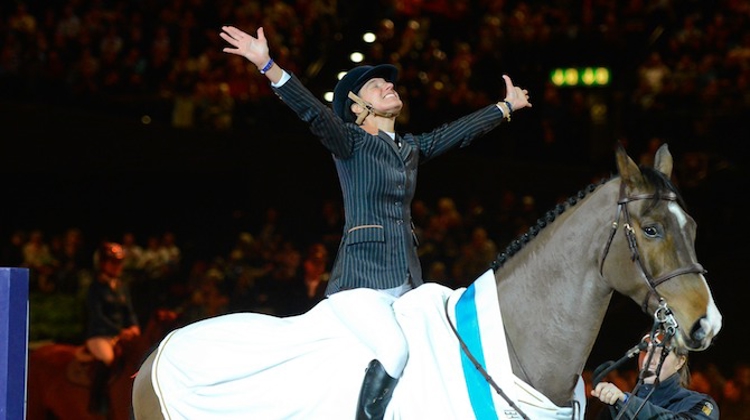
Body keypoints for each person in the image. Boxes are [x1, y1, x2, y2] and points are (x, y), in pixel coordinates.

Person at [219, 25, 531, 420]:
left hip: (406, 281)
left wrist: (504, 108)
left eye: (388, 83)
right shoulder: (350, 141)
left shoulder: (409, 148)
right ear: (356, 107)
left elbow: (454, 134)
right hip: (360, 283)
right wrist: (266, 64)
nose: (388, 86)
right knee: (396, 351)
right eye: (376, 85)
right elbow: (313, 112)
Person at [592, 332, 719, 419]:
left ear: (679, 362)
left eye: (661, 352)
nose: (649, 359)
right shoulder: (615, 406)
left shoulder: (701, 404)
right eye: (645, 350)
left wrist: (627, 402)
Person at [85, 241, 141, 415]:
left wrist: (133, 326)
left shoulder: (122, 286)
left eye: (120, 262)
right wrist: (119, 330)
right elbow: (97, 316)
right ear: (102, 264)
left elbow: (129, 310)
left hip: (121, 335)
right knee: (108, 358)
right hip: (99, 334)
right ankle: (98, 401)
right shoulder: (95, 288)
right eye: (113, 262)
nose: (118, 266)